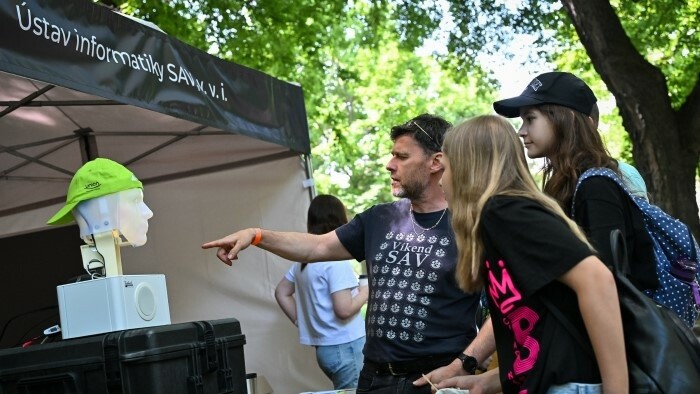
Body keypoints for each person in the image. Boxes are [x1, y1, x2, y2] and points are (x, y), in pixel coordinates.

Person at [202, 114, 486, 393]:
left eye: (401, 157)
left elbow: (506, 308)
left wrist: (464, 362)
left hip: (438, 379)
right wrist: (256, 235)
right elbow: (316, 246)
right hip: (375, 377)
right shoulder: (379, 219)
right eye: (392, 156)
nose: (390, 165)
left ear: (435, 162)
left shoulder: (473, 225)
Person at [436, 115, 627, 393]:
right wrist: (488, 380)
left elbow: (597, 279)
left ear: (467, 168)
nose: (441, 182)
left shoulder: (505, 211)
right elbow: (544, 334)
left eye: (445, 168)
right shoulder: (498, 220)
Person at [493, 71, 658, 293]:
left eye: (530, 119)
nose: (521, 131)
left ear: (565, 119)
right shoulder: (566, 184)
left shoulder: (596, 186)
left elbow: (605, 284)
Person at [274, 194, 368, 389]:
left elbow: (281, 292)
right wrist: (368, 291)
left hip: (324, 351)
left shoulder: (303, 261)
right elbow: (344, 310)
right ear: (340, 220)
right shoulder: (335, 261)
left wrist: (302, 322)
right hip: (346, 348)